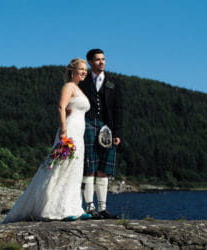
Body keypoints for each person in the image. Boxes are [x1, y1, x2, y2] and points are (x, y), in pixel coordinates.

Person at [0, 58, 91, 223]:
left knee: (74, 169)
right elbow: (61, 107)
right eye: (81, 69)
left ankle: (74, 207)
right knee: (60, 167)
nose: (84, 72)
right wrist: (63, 130)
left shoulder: (79, 88)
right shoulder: (69, 86)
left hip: (79, 133)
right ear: (72, 70)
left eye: (86, 69)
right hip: (69, 131)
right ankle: (54, 208)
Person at [79, 49, 123, 219]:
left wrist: (117, 132)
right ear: (90, 62)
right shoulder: (82, 81)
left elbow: (119, 109)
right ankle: (90, 208)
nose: (102, 62)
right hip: (88, 125)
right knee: (90, 168)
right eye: (97, 60)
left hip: (108, 128)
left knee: (104, 169)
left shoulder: (113, 82)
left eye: (103, 59)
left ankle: (103, 208)